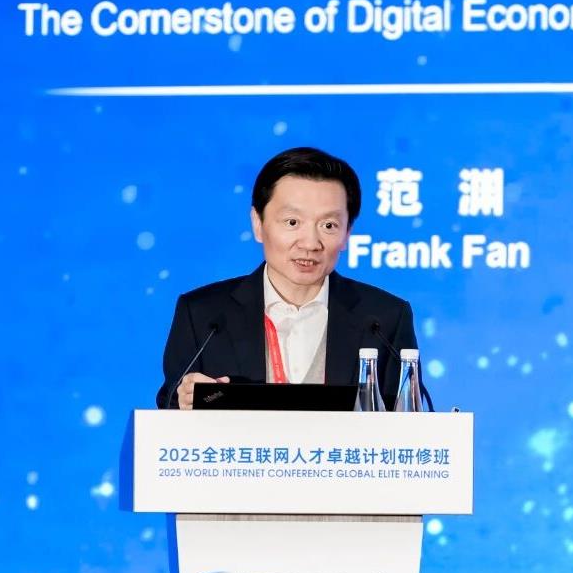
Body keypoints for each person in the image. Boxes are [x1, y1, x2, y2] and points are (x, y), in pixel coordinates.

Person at [155, 146, 419, 410]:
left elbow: (408, 423)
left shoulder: (385, 319)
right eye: (292, 222)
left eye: (328, 225)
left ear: (347, 233)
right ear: (258, 223)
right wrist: (186, 400)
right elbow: (169, 407)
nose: (310, 243)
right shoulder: (203, 315)